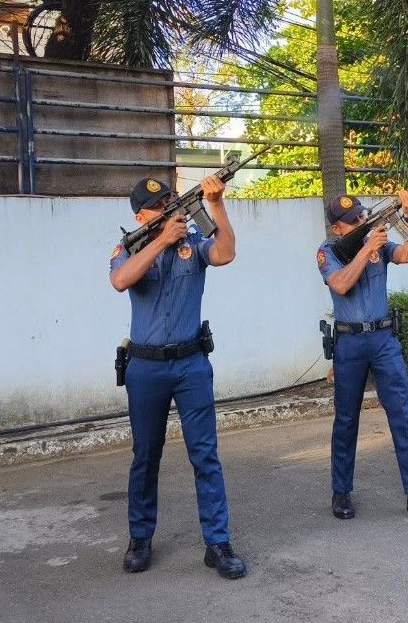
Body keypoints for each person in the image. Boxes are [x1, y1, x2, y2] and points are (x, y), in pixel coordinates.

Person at [109, 175, 245, 579]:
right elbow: (120, 279)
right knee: (146, 455)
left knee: (205, 455)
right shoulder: (128, 247)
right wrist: (160, 241)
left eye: (171, 202)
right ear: (140, 215)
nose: (169, 210)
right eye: (159, 206)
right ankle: (140, 537)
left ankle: (217, 543)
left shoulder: (192, 243)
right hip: (145, 368)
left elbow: (225, 253)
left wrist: (217, 206)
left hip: (190, 365)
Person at [316, 194, 408, 521]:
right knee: (346, 419)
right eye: (354, 222)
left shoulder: (377, 245)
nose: (361, 224)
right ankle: (341, 491)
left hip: (382, 339)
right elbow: (341, 283)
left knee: (403, 415)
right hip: (349, 341)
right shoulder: (328, 251)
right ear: (337, 228)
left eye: (363, 217)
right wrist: (366, 247)